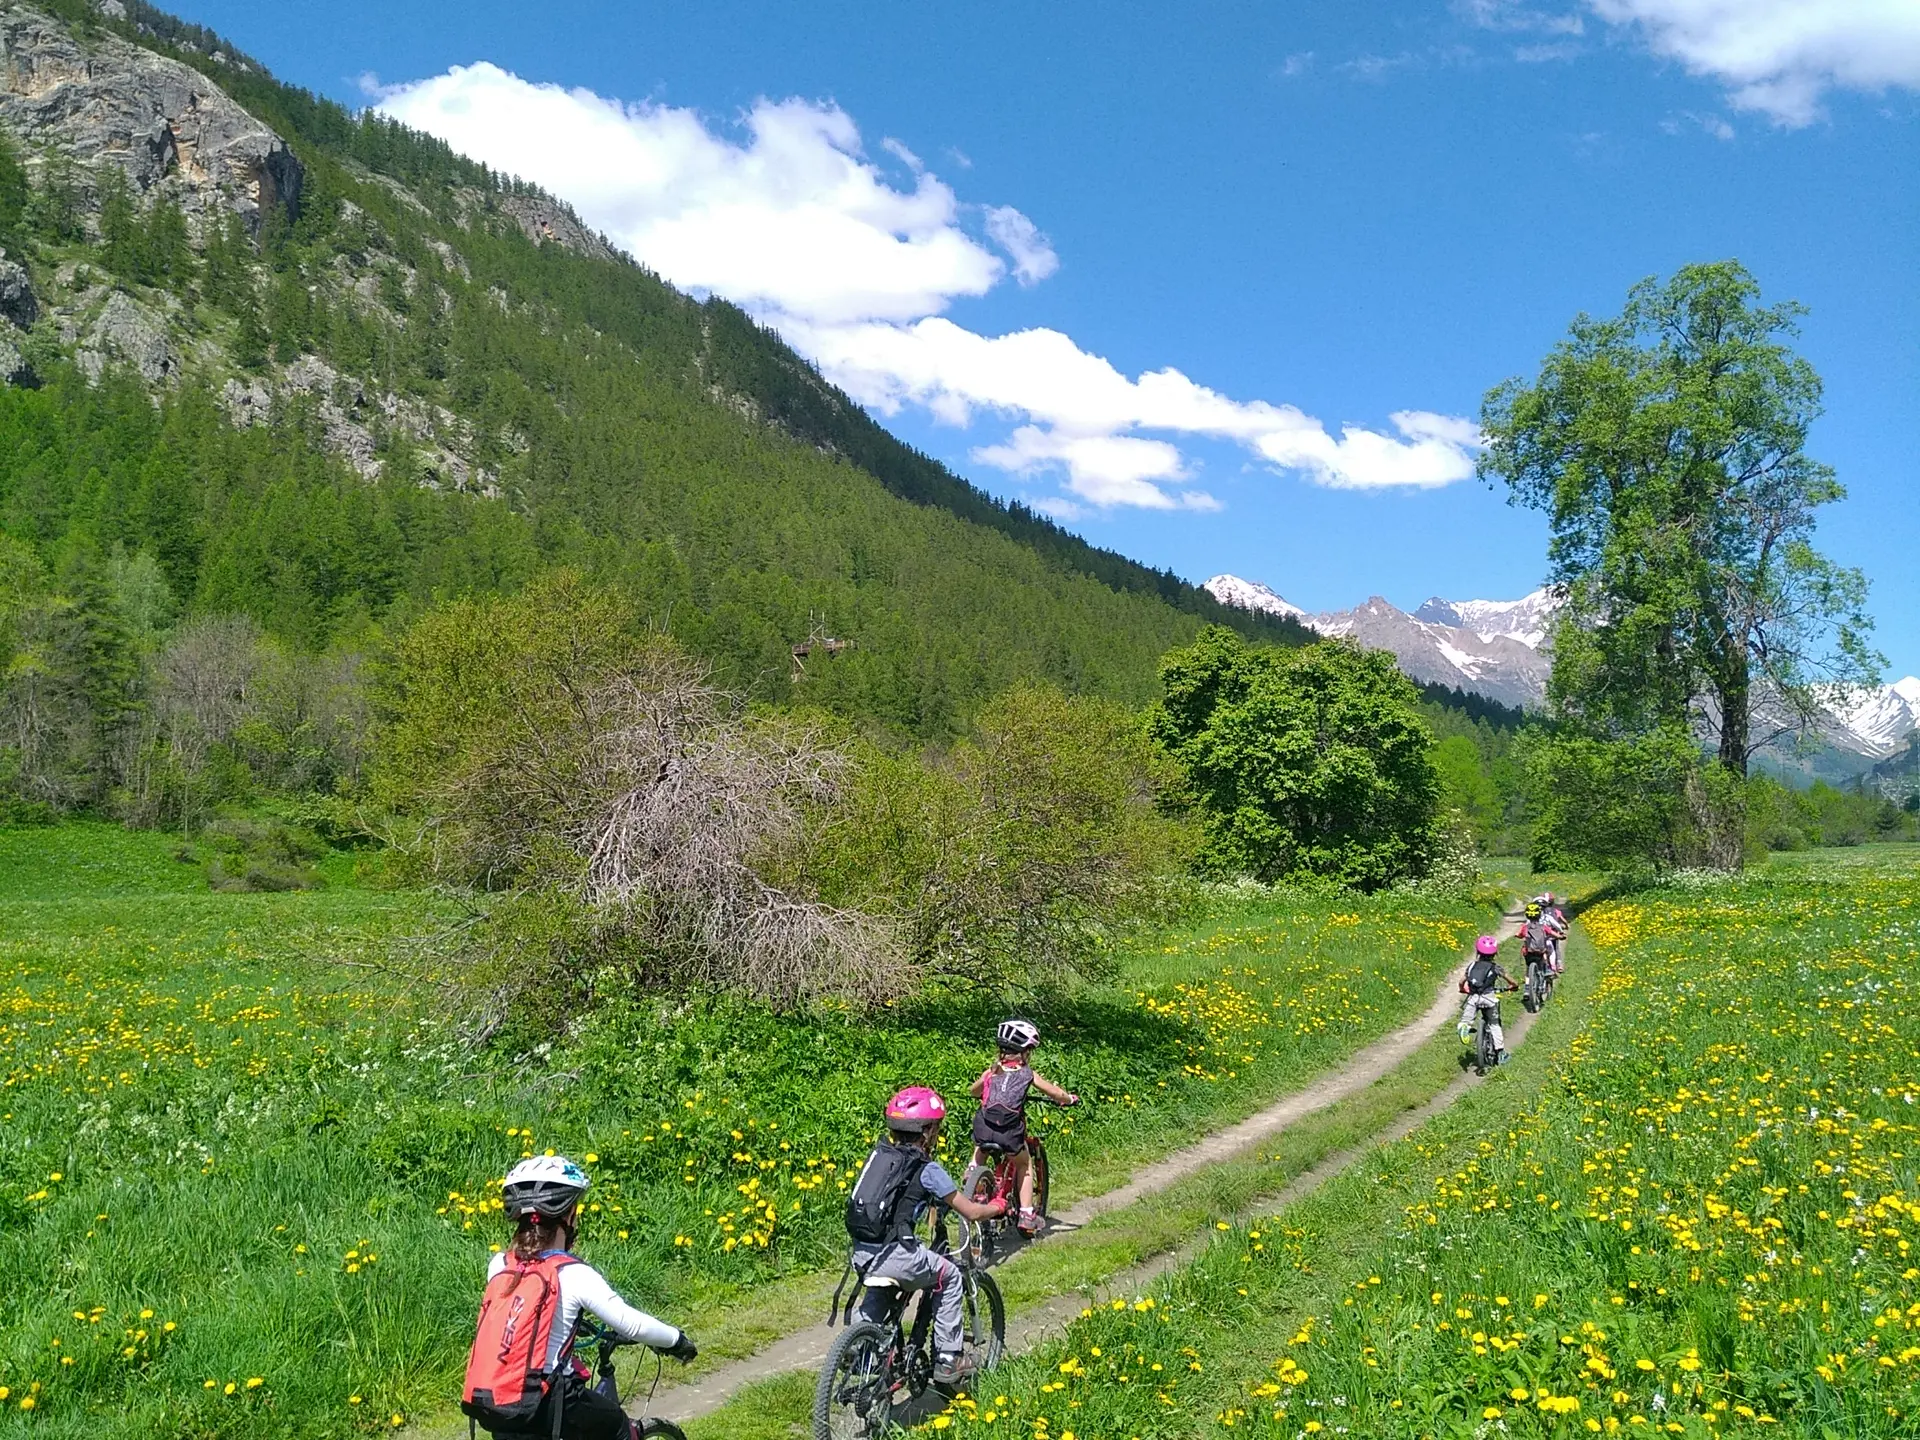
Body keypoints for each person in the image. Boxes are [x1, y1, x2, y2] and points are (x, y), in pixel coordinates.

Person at [463, 1155, 695, 1440]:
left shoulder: (500, 1264)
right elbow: (630, 1324)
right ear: (569, 1215)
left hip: (499, 1404)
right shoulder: (572, 1273)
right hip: (550, 1403)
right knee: (618, 1426)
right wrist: (677, 1340)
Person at [847, 1087, 1009, 1385]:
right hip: (896, 1256)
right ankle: (948, 1358)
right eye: (937, 1128)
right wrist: (997, 1207)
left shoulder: (880, 1157)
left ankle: (858, 1347)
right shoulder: (927, 1168)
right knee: (948, 1276)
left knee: (882, 1286)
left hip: (862, 1253)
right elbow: (970, 1211)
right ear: (928, 1130)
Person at [969, 1019, 1079, 1236]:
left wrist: (984, 1085)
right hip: (1010, 1132)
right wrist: (1069, 1099)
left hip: (984, 1127)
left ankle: (973, 1175)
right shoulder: (1027, 1073)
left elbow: (974, 1091)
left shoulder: (991, 1070)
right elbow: (1055, 1093)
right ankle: (1027, 1213)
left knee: (981, 1144)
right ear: (1025, 1052)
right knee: (1024, 1164)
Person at [1457, 935, 1519, 1065]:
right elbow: (1511, 981)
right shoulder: (1495, 967)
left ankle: (1465, 1027)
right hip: (1489, 999)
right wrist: (1514, 986)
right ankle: (1501, 1053)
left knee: (1466, 1019)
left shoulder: (1471, 966)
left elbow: (1462, 981)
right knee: (1494, 1024)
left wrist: (1463, 989)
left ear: (1478, 952)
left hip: (1473, 998)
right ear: (1495, 954)